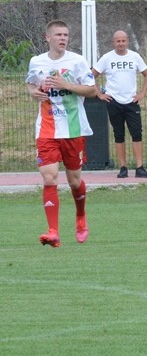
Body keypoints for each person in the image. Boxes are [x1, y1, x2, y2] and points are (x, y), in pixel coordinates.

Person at [26, 20, 97, 247]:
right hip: (46, 130)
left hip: (73, 129)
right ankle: (53, 230)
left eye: (65, 34)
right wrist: (34, 93)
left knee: (74, 182)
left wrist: (66, 85)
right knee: (49, 177)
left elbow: (92, 90)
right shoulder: (37, 61)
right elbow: (30, 84)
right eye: (58, 35)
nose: (63, 38)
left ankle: (80, 216)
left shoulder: (77, 61)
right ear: (48, 38)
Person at [92, 30, 147, 179]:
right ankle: (123, 167)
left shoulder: (135, 57)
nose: (121, 44)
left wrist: (142, 93)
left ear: (127, 41)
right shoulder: (107, 58)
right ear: (113, 42)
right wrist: (99, 93)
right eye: (118, 41)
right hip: (114, 101)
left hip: (132, 101)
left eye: (123, 41)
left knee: (136, 134)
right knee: (118, 134)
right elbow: (92, 75)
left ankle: (139, 168)